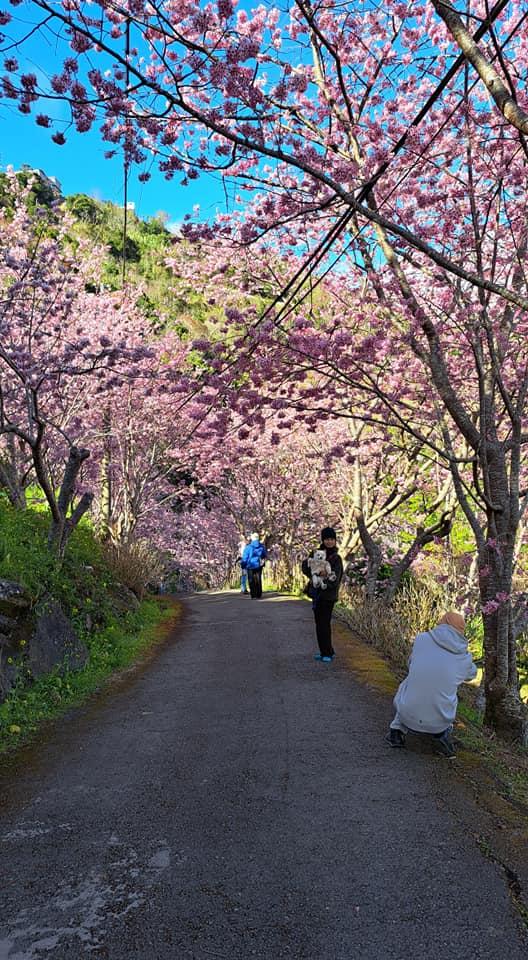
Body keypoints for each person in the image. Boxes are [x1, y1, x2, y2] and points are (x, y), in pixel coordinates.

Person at [385, 611, 477, 758]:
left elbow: (411, 664)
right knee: (447, 692)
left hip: (406, 713)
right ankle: (442, 738)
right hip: (439, 722)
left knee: (410, 682)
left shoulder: (422, 639)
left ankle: (396, 732)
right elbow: (472, 674)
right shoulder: (464, 658)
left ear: (442, 621)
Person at [302, 526, 343, 662]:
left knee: (324, 623)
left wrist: (325, 580)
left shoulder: (336, 558)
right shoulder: (316, 553)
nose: (329, 542)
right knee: (319, 623)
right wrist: (313, 569)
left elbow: (336, 578)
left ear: (335, 540)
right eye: (327, 539)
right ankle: (324, 651)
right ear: (323, 540)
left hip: (328, 595)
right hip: (316, 594)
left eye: (332, 539)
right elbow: (306, 568)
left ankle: (328, 653)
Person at [242, 533, 268, 598]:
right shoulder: (262, 546)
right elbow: (264, 555)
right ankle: (259, 594)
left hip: (250, 565)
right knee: (258, 579)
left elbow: (245, 557)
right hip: (258, 565)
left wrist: (243, 565)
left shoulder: (248, 547)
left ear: (252, 538)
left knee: (251, 580)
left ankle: (253, 594)